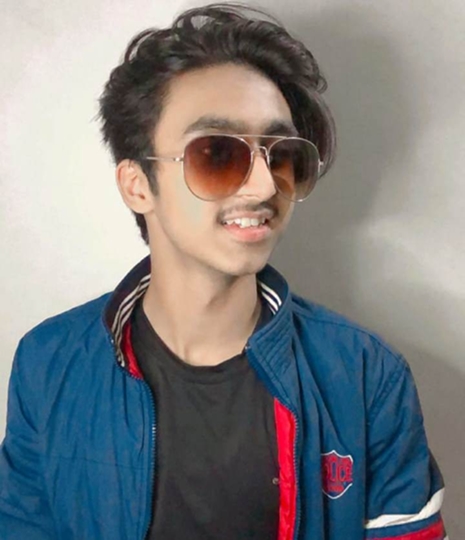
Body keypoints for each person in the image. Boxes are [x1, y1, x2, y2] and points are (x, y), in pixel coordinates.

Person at [0, 3, 446, 540]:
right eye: (216, 153)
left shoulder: (367, 376)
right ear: (137, 185)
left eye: (280, 155)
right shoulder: (48, 363)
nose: (264, 186)